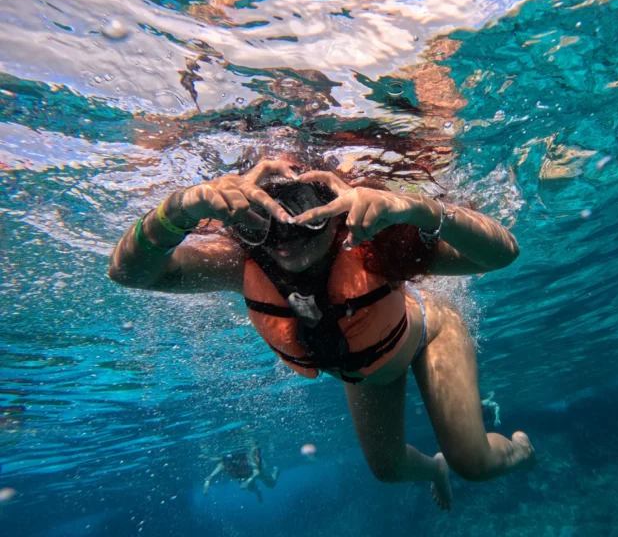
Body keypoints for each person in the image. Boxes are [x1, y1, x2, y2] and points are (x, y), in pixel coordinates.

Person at [108, 157, 535, 511]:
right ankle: (435, 468)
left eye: (302, 212)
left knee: (473, 464)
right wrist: (179, 208)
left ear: (336, 213)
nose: (283, 236)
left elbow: (502, 253)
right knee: (388, 470)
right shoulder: (239, 261)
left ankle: (520, 448)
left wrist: (420, 209)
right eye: (261, 218)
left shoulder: (375, 243)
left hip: (430, 332)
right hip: (367, 369)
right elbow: (127, 273)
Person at [203, 444, 279, 503]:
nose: (227, 465)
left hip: (259, 470)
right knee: (250, 488)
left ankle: (276, 471)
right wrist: (207, 484)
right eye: (226, 462)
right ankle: (258, 492)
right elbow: (211, 475)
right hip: (246, 475)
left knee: (271, 485)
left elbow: (257, 472)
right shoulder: (224, 464)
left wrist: (247, 481)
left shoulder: (248, 460)